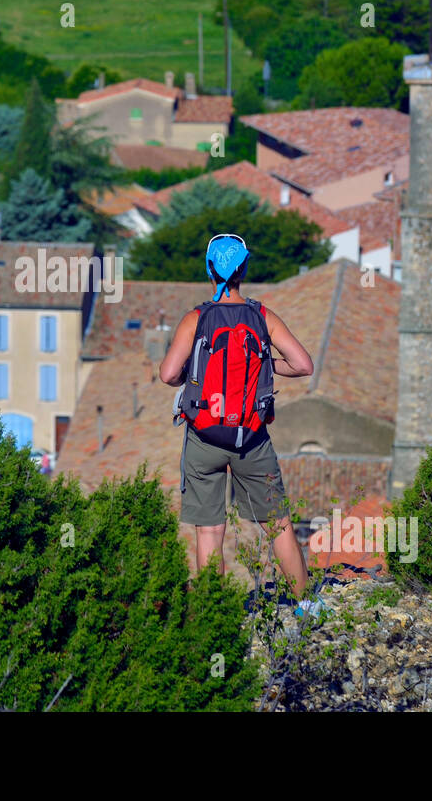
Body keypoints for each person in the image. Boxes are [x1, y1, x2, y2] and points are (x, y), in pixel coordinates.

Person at [159, 233, 314, 599]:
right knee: (278, 526)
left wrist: (192, 374)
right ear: (244, 268)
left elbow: (168, 374)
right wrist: (263, 363)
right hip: (252, 440)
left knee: (210, 531)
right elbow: (303, 365)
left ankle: (216, 613)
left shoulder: (196, 318)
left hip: (204, 438)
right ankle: (306, 606)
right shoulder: (262, 316)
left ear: (210, 270)